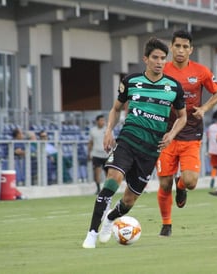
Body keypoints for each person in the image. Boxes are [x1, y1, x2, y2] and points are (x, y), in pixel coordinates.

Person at [82, 37, 187, 249]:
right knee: (112, 181)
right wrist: (109, 131)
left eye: (162, 59)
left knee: (129, 201)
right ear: (145, 59)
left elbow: (183, 117)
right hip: (128, 140)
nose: (159, 62)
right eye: (155, 58)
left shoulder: (173, 87)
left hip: (150, 150)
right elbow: (116, 109)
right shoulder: (131, 81)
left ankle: (110, 219)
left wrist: (171, 134)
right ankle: (91, 233)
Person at [156, 30, 217, 237]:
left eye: (185, 47)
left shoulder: (201, 71)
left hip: (191, 134)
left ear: (190, 50)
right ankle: (166, 224)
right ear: (171, 47)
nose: (181, 50)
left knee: (191, 181)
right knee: (164, 183)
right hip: (165, 134)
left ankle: (181, 185)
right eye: (177, 46)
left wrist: (204, 109)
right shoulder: (162, 69)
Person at [88, 114, 110, 194]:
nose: (103, 122)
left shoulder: (108, 130)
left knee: (108, 173)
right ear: (97, 121)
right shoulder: (92, 131)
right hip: (96, 154)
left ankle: (107, 189)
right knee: (97, 172)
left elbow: (112, 140)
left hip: (106, 155)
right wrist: (89, 153)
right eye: (101, 120)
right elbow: (90, 142)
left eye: (104, 120)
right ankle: (98, 189)